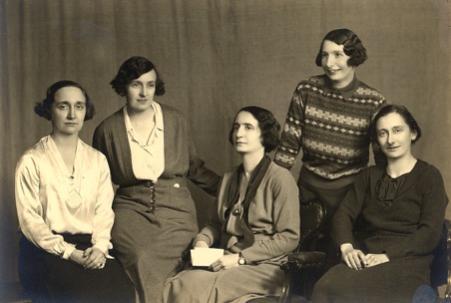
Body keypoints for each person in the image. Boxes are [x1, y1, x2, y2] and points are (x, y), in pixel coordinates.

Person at [92, 56, 221, 303]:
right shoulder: (107, 130)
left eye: (150, 85)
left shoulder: (176, 121)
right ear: (123, 87)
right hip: (130, 209)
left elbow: (194, 168)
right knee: (141, 257)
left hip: (176, 209)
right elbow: (98, 183)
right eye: (136, 85)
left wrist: (231, 189)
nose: (143, 92)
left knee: (182, 261)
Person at [311, 104, 448, 303]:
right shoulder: (368, 176)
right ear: (377, 140)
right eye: (383, 133)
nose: (391, 140)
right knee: (325, 287)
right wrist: (347, 248)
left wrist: (387, 256)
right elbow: (343, 215)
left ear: (413, 133)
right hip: (366, 257)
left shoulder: (430, 176)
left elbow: (430, 233)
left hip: (408, 261)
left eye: (397, 130)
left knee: (375, 294)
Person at [163, 106, 300, 303]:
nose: (239, 133)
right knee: (180, 281)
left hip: (263, 267)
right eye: (236, 127)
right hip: (227, 258)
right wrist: (202, 241)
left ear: (265, 135)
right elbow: (215, 225)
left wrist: (240, 258)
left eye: (248, 127)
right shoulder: (229, 179)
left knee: (196, 286)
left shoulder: (280, 179)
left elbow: (289, 238)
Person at [15, 80, 134, 303]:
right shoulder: (31, 161)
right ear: (49, 110)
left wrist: (99, 248)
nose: (72, 114)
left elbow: (103, 212)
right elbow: (29, 222)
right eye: (63, 106)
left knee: (122, 289)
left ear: (85, 111)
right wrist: (69, 253)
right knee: (81, 293)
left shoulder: (97, 160)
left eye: (79, 106)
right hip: (44, 251)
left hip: (88, 246)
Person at [274, 28, 387, 217]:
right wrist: (272, 187)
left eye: (338, 55)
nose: (329, 63)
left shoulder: (373, 101)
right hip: (307, 192)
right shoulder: (306, 90)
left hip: (352, 195)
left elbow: (382, 161)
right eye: (324, 55)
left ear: (355, 57)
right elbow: (287, 148)